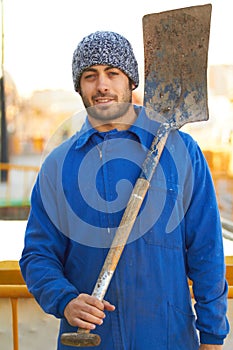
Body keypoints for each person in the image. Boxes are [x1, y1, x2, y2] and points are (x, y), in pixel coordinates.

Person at [20, 31, 229, 350]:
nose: (102, 85)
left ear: (131, 81)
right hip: (91, 341)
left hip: (166, 339)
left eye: (112, 73)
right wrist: (65, 301)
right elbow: (38, 254)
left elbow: (206, 248)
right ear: (79, 87)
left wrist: (213, 337)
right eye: (90, 76)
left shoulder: (180, 151)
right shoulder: (58, 166)